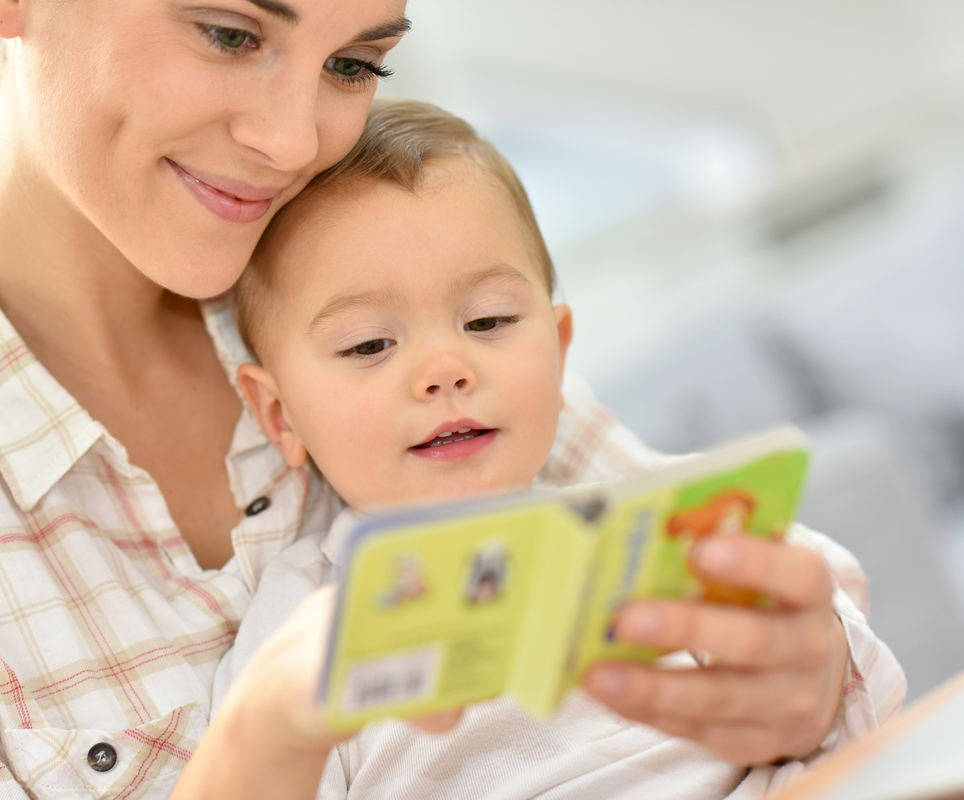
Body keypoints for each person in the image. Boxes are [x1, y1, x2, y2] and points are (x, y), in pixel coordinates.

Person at [0, 2, 902, 799]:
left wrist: (806, 679)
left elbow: (730, 588)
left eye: (355, 62)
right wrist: (269, 727)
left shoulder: (361, 267)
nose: (290, 138)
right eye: (229, 32)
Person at [217, 99, 905, 797]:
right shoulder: (303, 620)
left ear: (559, 346)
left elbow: (836, 689)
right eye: (369, 344)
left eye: (488, 320)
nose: (445, 369)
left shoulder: (633, 532)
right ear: (281, 416)